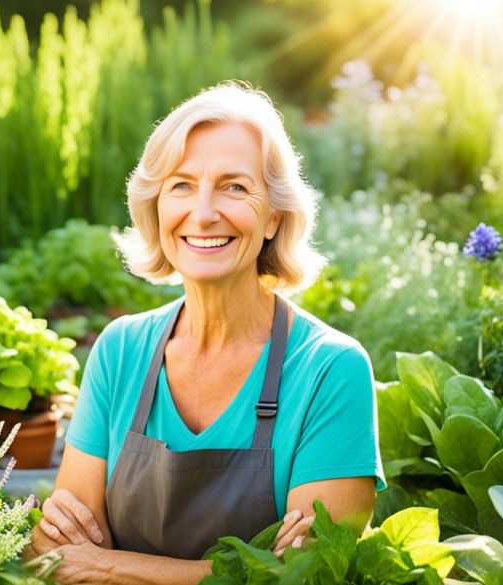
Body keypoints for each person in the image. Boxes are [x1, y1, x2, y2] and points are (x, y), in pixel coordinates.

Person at [28, 82, 386, 584]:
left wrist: (107, 566)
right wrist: (232, 572)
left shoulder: (330, 369)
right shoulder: (119, 352)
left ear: (273, 218)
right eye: (181, 185)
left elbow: (306, 574)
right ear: (156, 207)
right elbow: (58, 550)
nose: (203, 213)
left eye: (235, 187)